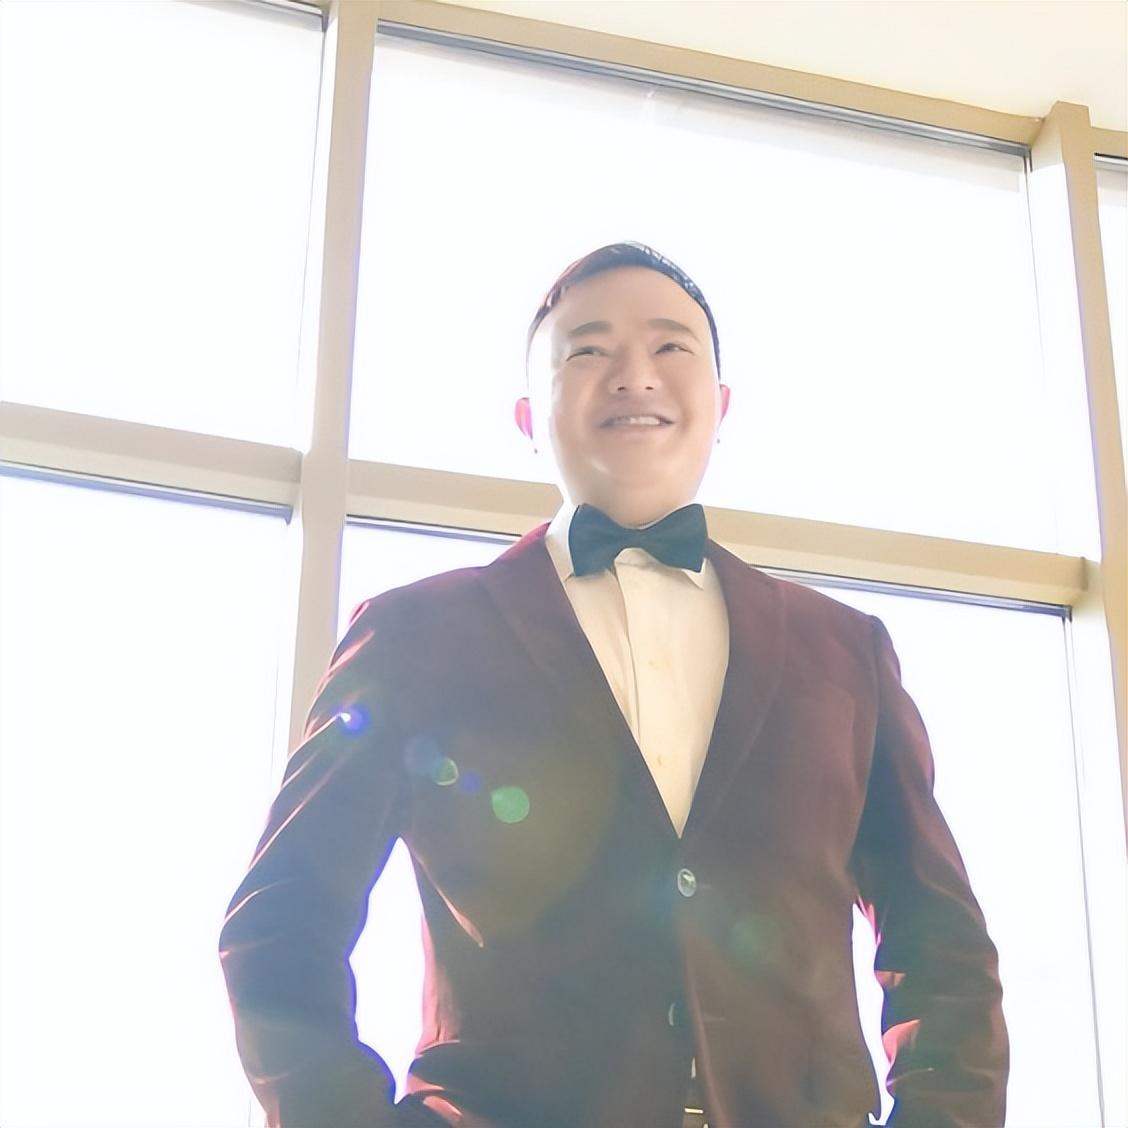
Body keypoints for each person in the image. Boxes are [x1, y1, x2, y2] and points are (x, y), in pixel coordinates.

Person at [219, 243, 1008, 1128]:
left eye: (671, 347)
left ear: (721, 404)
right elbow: (281, 923)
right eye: (589, 350)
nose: (635, 375)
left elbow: (940, 942)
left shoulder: (846, 650)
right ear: (529, 416)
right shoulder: (414, 635)